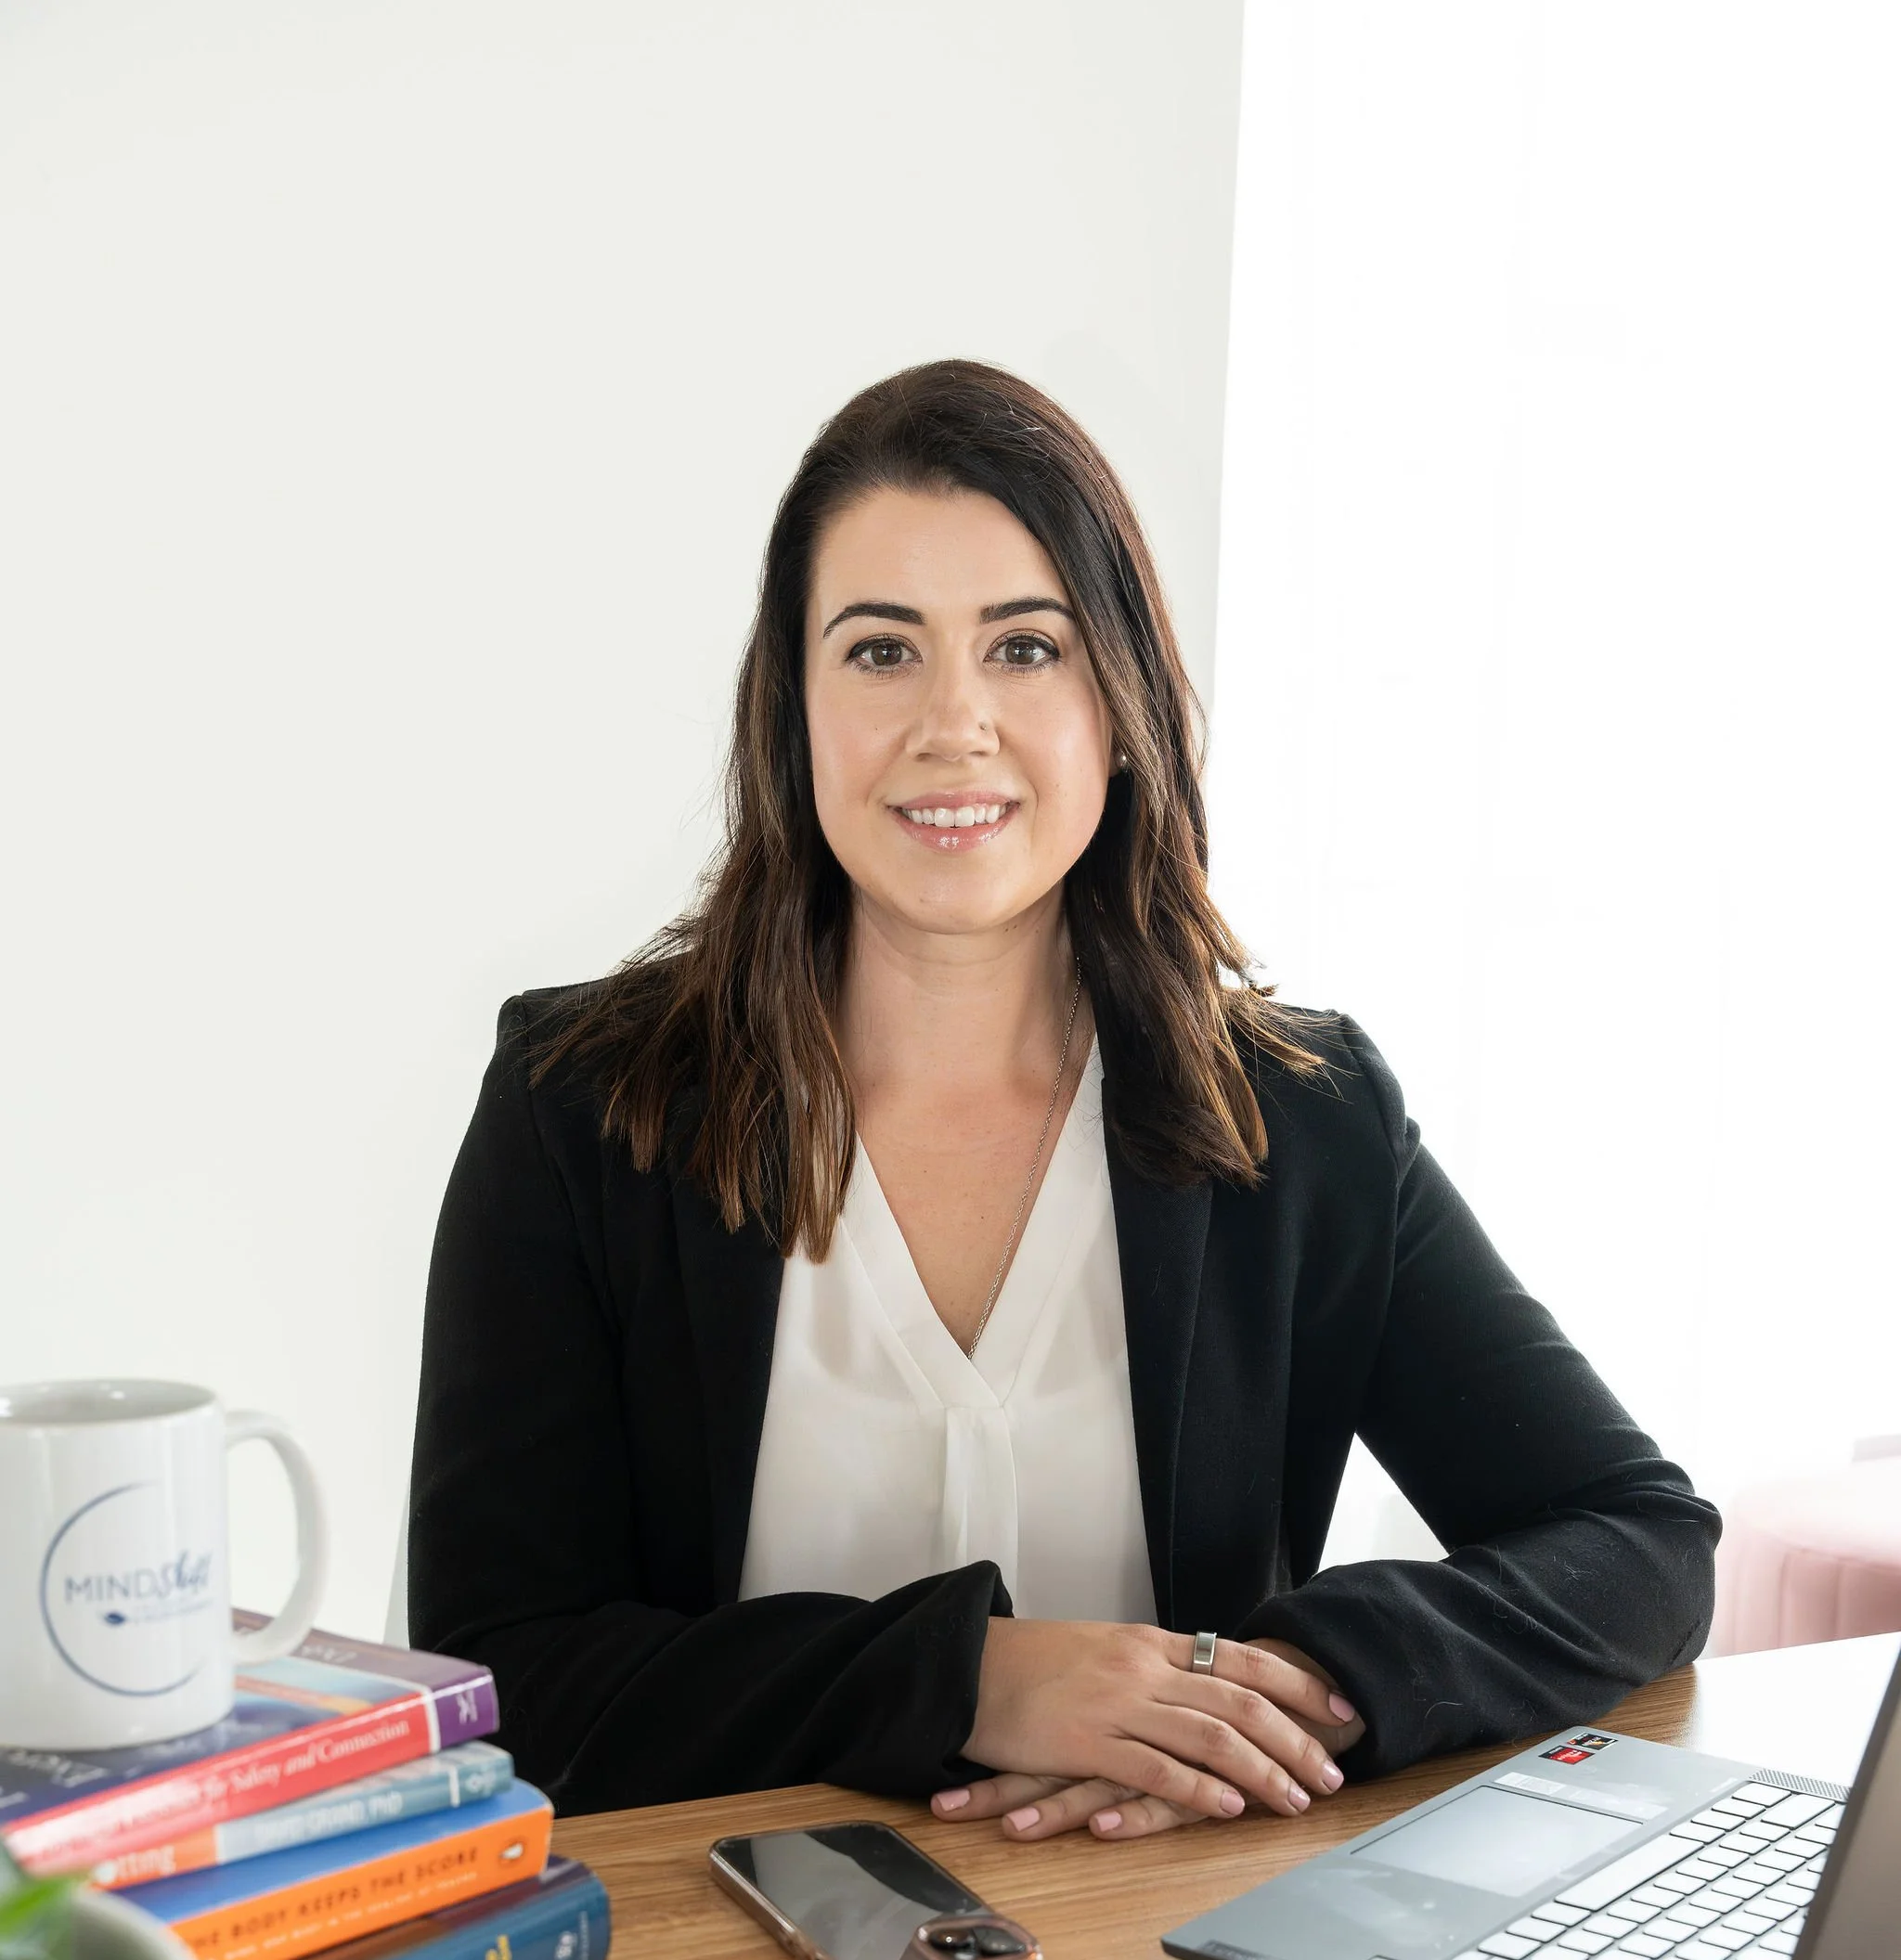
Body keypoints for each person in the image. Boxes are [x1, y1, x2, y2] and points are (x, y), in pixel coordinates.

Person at [408, 358, 1717, 1846]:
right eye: (882, 652)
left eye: (1025, 649)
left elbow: (1641, 1543)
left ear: (1120, 699)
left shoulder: (1304, 1121)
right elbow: (494, 1674)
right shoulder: (581, 1112)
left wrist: (1290, 1684)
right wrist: (972, 1679)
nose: (954, 725)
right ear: (794, 707)